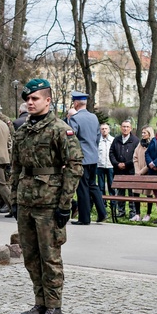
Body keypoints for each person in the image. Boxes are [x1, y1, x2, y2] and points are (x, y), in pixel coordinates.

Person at [10, 78, 83, 314]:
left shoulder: (60, 129)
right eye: (27, 99)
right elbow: (16, 167)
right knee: (30, 256)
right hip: (26, 200)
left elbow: (74, 166)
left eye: (35, 99)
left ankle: (54, 306)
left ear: (48, 100)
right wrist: (14, 199)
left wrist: (65, 204)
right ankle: (39, 302)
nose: (30, 103)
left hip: (49, 202)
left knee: (50, 256)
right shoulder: (21, 131)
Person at [67, 91, 107, 224]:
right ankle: (102, 212)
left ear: (76, 103)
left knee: (82, 188)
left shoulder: (75, 119)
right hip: (93, 157)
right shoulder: (94, 117)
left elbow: (72, 139)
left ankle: (84, 218)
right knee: (93, 185)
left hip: (81, 158)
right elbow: (97, 137)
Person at [109, 120, 140, 219]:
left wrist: (126, 164)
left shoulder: (135, 140)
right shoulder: (116, 139)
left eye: (127, 127)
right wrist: (116, 163)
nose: (125, 128)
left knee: (132, 193)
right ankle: (121, 211)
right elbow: (111, 152)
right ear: (121, 128)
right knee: (120, 192)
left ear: (130, 128)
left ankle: (133, 212)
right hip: (119, 171)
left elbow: (136, 156)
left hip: (130, 171)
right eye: (123, 126)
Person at [131, 126, 154, 221]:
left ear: (149, 133)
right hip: (138, 172)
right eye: (142, 132)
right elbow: (135, 157)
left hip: (148, 172)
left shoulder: (153, 144)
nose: (143, 134)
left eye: (145, 132)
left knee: (149, 194)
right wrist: (137, 170)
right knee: (136, 192)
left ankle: (148, 214)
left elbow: (152, 160)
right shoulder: (140, 144)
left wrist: (142, 171)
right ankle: (137, 214)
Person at [96, 123, 114, 201]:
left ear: (109, 130)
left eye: (106, 128)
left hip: (110, 166)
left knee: (111, 185)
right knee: (101, 186)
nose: (104, 130)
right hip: (100, 166)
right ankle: (103, 203)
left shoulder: (113, 140)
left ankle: (113, 204)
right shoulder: (97, 141)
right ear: (100, 130)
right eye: (102, 129)